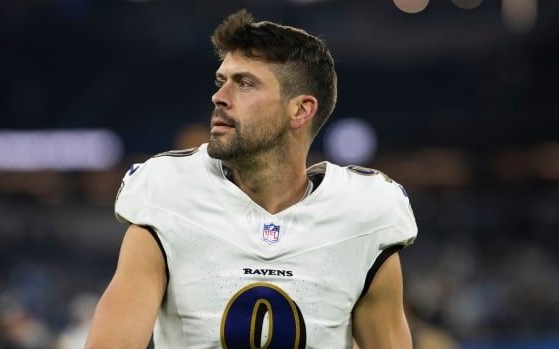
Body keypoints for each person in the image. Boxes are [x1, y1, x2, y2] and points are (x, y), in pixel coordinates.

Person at [86, 9, 417, 349]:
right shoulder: (168, 193)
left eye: (244, 84)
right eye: (222, 81)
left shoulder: (364, 214)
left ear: (301, 110)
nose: (219, 96)